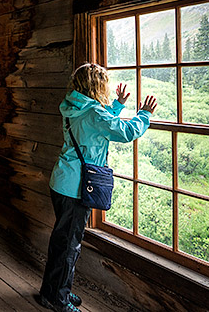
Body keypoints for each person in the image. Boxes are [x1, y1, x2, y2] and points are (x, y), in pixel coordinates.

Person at [35, 63, 158, 312]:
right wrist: (144, 113)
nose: (108, 87)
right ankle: (57, 300)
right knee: (69, 246)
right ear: (96, 86)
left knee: (62, 242)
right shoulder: (93, 113)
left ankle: (53, 292)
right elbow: (125, 131)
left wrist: (118, 105)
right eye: (104, 84)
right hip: (76, 188)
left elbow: (98, 121)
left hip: (61, 181)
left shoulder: (73, 106)